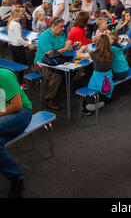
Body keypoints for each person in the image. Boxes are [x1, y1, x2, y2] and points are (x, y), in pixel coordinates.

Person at [0, 68, 33, 197]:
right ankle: (16, 178)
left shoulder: (5, 76)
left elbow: (17, 105)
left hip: (21, 112)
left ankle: (16, 178)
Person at [32, 17, 73, 110]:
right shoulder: (44, 36)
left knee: (76, 70)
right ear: (53, 26)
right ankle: (49, 99)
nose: (63, 28)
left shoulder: (62, 34)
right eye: (61, 26)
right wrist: (65, 48)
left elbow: (64, 46)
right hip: (41, 64)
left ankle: (60, 88)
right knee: (56, 75)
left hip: (58, 60)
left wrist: (71, 46)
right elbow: (50, 54)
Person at [88, 34, 114, 105]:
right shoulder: (111, 53)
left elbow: (79, 54)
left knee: (88, 82)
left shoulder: (94, 54)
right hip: (108, 77)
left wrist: (82, 49)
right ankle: (106, 97)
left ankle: (92, 102)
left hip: (97, 78)